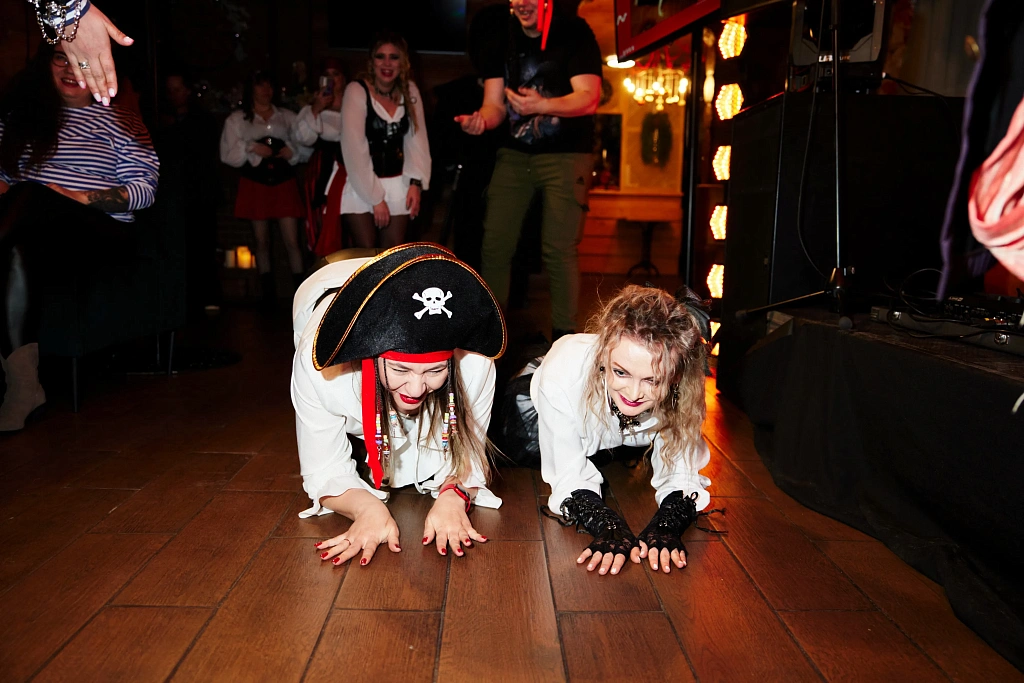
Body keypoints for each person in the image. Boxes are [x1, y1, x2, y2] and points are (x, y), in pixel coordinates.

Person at [291, 243, 506, 566]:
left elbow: (471, 457)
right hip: (326, 281)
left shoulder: (475, 362)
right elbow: (323, 467)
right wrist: (367, 509)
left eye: (435, 371)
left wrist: (454, 497)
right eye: (401, 370)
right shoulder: (322, 370)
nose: (417, 389)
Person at [0, 43, 159, 432]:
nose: (71, 68)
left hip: (95, 229)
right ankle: (23, 388)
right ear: (47, 64)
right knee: (17, 248)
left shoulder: (120, 120)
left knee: (30, 193)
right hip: (27, 230)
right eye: (62, 57)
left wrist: (69, 195)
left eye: (83, 61)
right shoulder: (18, 119)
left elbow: (144, 190)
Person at [506, 285, 713, 576]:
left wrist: (667, 525)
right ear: (604, 355)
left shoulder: (683, 381)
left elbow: (683, 470)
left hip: (617, 429)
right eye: (621, 372)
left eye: (652, 380)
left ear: (676, 375)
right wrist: (608, 526)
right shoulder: (565, 377)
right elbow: (567, 473)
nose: (634, 393)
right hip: (539, 408)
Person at [457, 0, 602, 341]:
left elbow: (589, 97)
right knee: (495, 243)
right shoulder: (501, 36)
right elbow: (494, 106)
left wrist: (543, 105)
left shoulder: (573, 31)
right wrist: (481, 121)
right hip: (515, 153)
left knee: (558, 248)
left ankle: (564, 338)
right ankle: (491, 337)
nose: (521, 3)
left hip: (567, 154)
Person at [220, 71, 307, 306]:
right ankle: (267, 296)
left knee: (292, 242)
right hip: (255, 183)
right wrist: (251, 147)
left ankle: (301, 296)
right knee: (261, 241)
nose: (265, 90)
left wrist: (292, 152)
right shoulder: (237, 120)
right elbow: (227, 155)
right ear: (251, 89)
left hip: (284, 182)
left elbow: (304, 146)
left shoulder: (287, 117)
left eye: (269, 85)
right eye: (260, 86)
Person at [339, 32, 431, 249]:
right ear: (372, 61)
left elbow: (417, 141)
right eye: (381, 57)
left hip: (398, 183)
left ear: (403, 62)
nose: (387, 63)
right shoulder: (356, 91)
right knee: (367, 254)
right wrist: (375, 197)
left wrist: (415, 183)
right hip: (361, 182)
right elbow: (354, 149)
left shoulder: (410, 90)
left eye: (394, 57)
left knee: (392, 255)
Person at [155, 70, 222, 316]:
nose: (173, 95)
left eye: (177, 89)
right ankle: (180, 301)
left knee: (203, 247)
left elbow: (201, 154)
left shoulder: (202, 120)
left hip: (200, 195)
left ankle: (208, 297)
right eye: (169, 90)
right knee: (176, 249)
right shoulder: (159, 119)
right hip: (171, 197)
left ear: (187, 91)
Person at [26, 0, 134, 106]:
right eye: (61, 57)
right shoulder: (23, 109)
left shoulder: (122, 117)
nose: (70, 70)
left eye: (85, 60)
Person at [292, 58, 347, 258]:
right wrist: (316, 108)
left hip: (351, 167)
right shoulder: (312, 107)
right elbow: (302, 138)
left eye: (336, 74)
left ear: (344, 79)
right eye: (327, 75)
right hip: (323, 168)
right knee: (321, 220)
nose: (332, 79)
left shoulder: (355, 104)